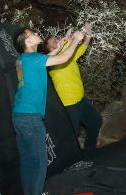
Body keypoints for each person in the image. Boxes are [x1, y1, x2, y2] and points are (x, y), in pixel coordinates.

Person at [13, 28, 85, 195]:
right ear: (28, 42)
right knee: (38, 160)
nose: (37, 33)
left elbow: (44, 61)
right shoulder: (32, 59)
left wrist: (59, 46)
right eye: (32, 33)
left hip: (20, 115)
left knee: (28, 160)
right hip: (30, 117)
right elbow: (62, 60)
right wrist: (76, 40)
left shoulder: (22, 60)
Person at [44, 23, 102, 151]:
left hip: (81, 99)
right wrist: (72, 39)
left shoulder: (69, 56)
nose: (58, 41)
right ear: (50, 50)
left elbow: (83, 47)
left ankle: (89, 148)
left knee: (96, 121)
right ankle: (73, 160)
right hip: (69, 104)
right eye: (55, 42)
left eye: (57, 38)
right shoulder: (53, 61)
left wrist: (89, 34)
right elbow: (64, 53)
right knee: (71, 135)